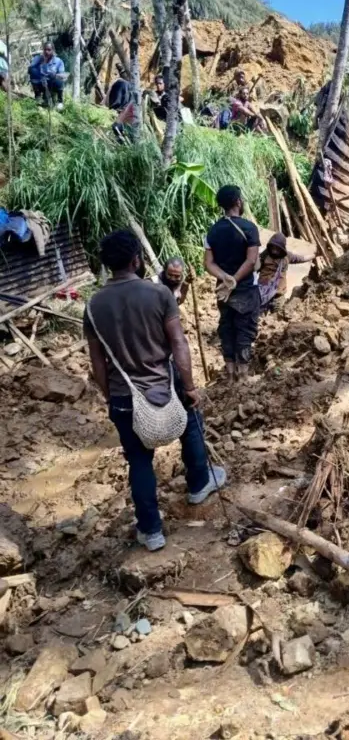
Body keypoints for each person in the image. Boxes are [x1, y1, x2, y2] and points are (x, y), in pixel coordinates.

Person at [84, 230, 225, 553]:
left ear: (106, 264)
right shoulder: (158, 294)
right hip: (164, 383)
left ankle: (151, 531)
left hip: (124, 396)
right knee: (190, 424)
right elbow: (178, 343)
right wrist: (189, 386)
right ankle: (199, 483)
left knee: (138, 460)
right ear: (137, 260)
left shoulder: (93, 307)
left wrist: (112, 398)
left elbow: (98, 365)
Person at [204, 185, 261, 381]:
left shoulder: (213, 231)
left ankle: (229, 374)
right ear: (238, 202)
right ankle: (243, 376)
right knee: (245, 329)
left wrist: (225, 278)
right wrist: (235, 280)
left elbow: (208, 263)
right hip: (244, 289)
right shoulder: (249, 228)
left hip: (223, 292)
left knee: (227, 328)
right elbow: (251, 260)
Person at [257, 233, 313, 312]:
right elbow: (256, 266)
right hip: (263, 292)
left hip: (278, 294)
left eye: (277, 248)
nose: (275, 250)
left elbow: (301, 258)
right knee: (259, 312)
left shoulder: (287, 256)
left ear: (282, 248)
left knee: (276, 314)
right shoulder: (265, 254)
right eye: (273, 247)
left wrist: (313, 255)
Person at [28, 42, 65, 108]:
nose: (46, 52)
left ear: (53, 50)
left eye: (49, 50)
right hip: (41, 82)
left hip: (52, 83)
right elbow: (30, 69)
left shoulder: (58, 61)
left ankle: (60, 101)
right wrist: (39, 63)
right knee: (33, 71)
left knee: (59, 80)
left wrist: (55, 75)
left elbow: (62, 75)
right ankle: (38, 96)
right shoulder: (38, 58)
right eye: (45, 50)